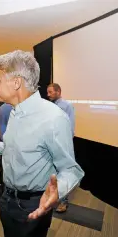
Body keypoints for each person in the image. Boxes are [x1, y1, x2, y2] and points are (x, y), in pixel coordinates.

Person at [0, 50, 84, 237]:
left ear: (15, 83)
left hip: (33, 204)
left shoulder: (53, 118)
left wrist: (57, 192)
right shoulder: (14, 112)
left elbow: (71, 169)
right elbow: (17, 149)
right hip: (7, 199)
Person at [47, 83, 76, 213]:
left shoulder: (67, 106)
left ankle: (63, 202)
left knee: (63, 175)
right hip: (50, 144)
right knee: (52, 175)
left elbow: (70, 128)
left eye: (50, 92)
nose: (48, 95)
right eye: (47, 92)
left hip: (62, 146)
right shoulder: (50, 106)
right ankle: (52, 198)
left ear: (58, 91)